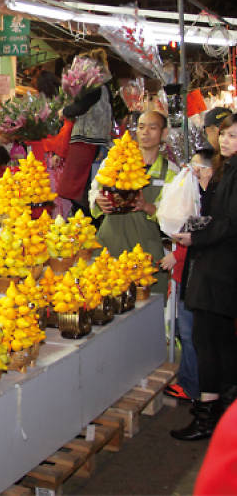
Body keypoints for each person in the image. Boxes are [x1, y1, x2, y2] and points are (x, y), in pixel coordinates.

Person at [169, 116, 237, 441]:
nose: (226, 141)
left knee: (206, 340)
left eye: (234, 136)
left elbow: (228, 224)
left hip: (219, 270)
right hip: (216, 267)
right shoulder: (225, 170)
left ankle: (208, 415)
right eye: (224, 134)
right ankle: (222, 412)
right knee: (219, 340)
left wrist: (195, 240)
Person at [90, 110, 177, 294]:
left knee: (147, 306)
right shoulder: (115, 160)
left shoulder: (170, 171)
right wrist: (98, 199)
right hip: (110, 241)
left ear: (164, 133)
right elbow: (94, 188)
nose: (145, 132)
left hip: (146, 248)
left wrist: (147, 207)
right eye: (141, 127)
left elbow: (173, 216)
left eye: (152, 128)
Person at [159, 149, 214, 404]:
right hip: (188, 276)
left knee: (190, 333)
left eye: (195, 168)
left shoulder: (208, 199)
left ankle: (192, 385)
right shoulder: (199, 195)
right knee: (190, 332)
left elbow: (193, 232)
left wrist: (177, 256)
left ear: (206, 171)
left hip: (193, 277)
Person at [57, 49, 113, 214]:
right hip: (98, 141)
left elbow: (81, 107)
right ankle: (84, 214)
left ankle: (85, 216)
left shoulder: (94, 87)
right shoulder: (105, 88)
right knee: (85, 183)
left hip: (87, 141)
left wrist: (65, 111)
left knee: (79, 185)